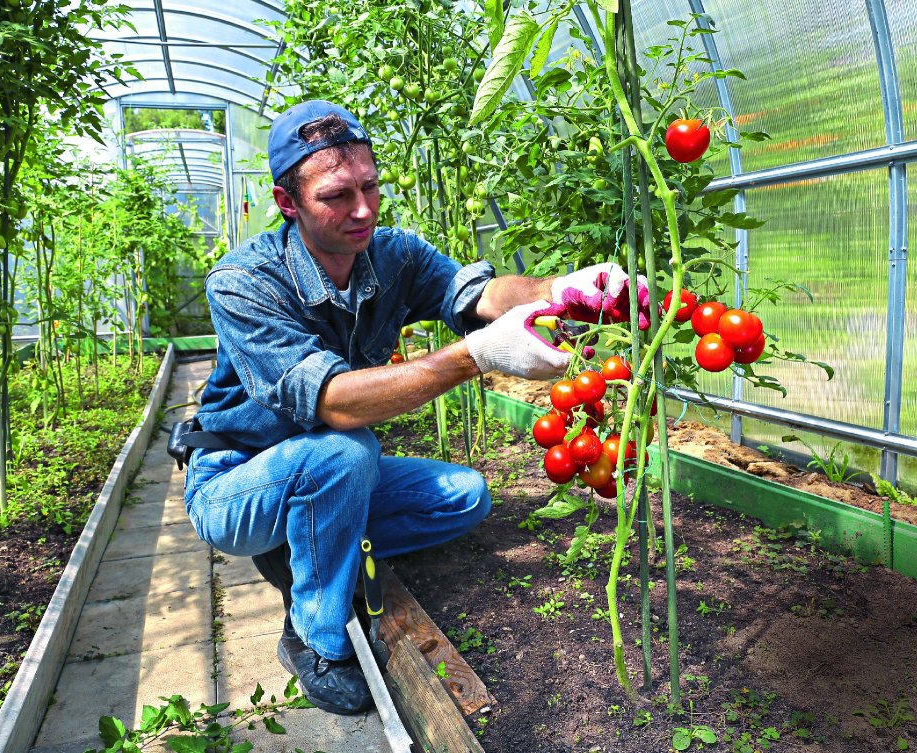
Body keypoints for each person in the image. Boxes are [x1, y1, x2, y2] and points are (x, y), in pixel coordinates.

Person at [183, 100, 640, 715]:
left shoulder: (390, 254)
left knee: (463, 496)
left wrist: (557, 290)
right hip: (237, 481)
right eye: (337, 196)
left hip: (323, 473)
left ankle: (311, 544)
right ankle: (315, 639)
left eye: (370, 186)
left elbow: (474, 293)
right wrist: (474, 356)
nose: (363, 209)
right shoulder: (244, 282)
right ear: (288, 202)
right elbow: (333, 404)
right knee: (345, 450)